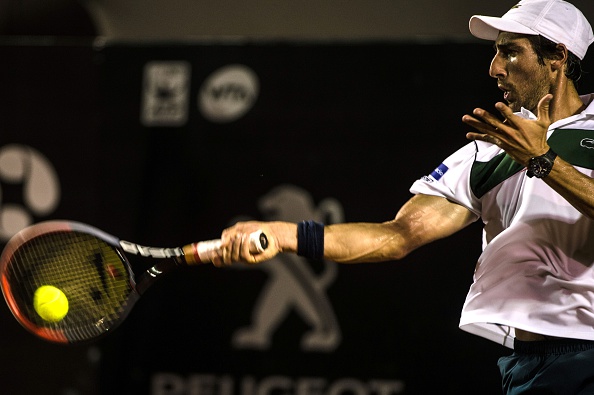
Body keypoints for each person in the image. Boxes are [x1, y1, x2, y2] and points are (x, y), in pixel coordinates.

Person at [216, 0, 594, 393]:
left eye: (510, 51)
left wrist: (543, 159)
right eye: (496, 51)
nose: (494, 68)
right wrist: (285, 236)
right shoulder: (490, 149)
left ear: (557, 58)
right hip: (528, 363)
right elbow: (397, 236)